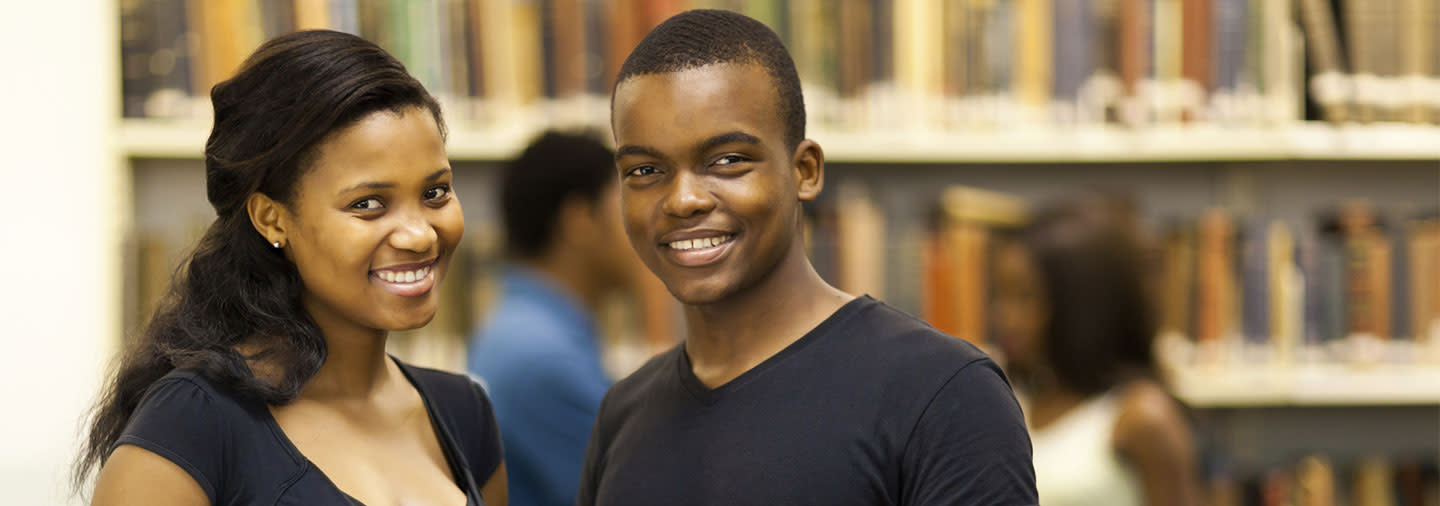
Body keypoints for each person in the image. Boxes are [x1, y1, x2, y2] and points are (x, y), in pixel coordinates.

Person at [578, 9, 1037, 506]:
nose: (683, 199)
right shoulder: (623, 415)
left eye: (728, 161)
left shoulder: (941, 394)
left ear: (805, 171)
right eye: (645, 170)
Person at [76, 30, 507, 506]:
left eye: (435, 192)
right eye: (368, 204)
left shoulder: (464, 413)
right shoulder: (192, 424)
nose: (421, 234)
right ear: (271, 218)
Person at [991, 194, 1201, 506]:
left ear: (1081, 306)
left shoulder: (1141, 417)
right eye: (1001, 295)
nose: (1006, 318)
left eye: (1025, 297)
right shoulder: (1009, 399)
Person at [467, 130, 634, 506]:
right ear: (580, 221)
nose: (642, 226)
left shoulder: (523, 330)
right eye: (623, 206)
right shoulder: (543, 357)